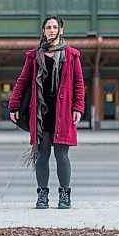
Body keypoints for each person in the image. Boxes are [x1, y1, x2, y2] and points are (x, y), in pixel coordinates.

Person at [9, 16, 85, 209]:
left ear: (61, 30)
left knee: (62, 155)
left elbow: (78, 84)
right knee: (42, 155)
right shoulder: (34, 56)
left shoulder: (72, 55)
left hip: (63, 113)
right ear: (43, 31)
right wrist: (14, 106)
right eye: (48, 27)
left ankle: (65, 195)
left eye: (55, 27)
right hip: (40, 113)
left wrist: (78, 107)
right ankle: (42, 194)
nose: (51, 30)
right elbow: (22, 81)